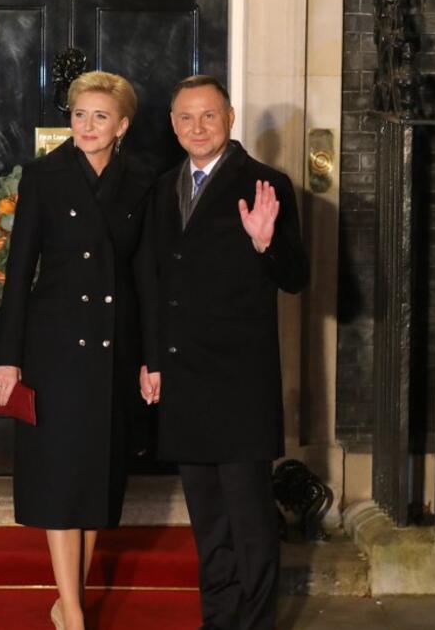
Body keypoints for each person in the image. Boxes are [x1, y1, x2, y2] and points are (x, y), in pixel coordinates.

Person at [139, 75, 308, 630]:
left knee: (249, 519)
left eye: (207, 115)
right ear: (173, 124)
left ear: (230, 118)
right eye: (185, 118)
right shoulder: (164, 187)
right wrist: (153, 359)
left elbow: (295, 277)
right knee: (208, 522)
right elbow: (154, 280)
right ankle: (218, 621)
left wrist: (265, 242)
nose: (196, 127)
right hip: (184, 376)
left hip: (240, 381)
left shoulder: (267, 183)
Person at [0, 71, 156, 630]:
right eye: (79, 114)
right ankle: (76, 615)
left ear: (123, 125)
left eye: (100, 117)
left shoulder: (142, 180)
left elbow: (146, 277)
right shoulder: (44, 176)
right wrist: (6, 357)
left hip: (114, 346)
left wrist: (149, 357)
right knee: (61, 477)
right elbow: (18, 273)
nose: (87, 126)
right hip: (54, 347)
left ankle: (69, 601)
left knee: (94, 479)